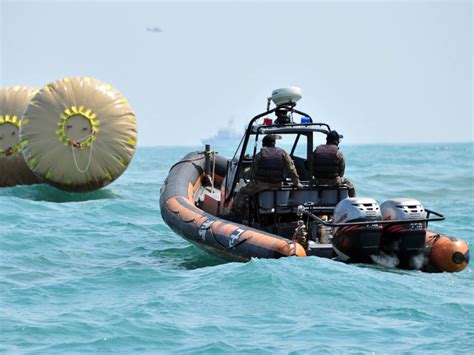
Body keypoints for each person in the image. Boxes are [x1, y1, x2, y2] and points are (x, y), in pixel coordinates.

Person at [229, 134, 303, 219]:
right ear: (274, 143)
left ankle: (235, 215)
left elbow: (253, 171)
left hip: (261, 184)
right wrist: (296, 182)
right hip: (277, 184)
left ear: (264, 143)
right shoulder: (283, 153)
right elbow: (291, 169)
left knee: (242, 192)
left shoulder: (260, 154)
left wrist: (253, 178)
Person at [312, 130, 356, 197]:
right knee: (351, 186)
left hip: (317, 181)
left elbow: (311, 166)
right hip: (333, 182)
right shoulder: (338, 153)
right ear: (336, 141)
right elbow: (341, 173)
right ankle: (352, 203)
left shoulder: (317, 150)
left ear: (327, 140)